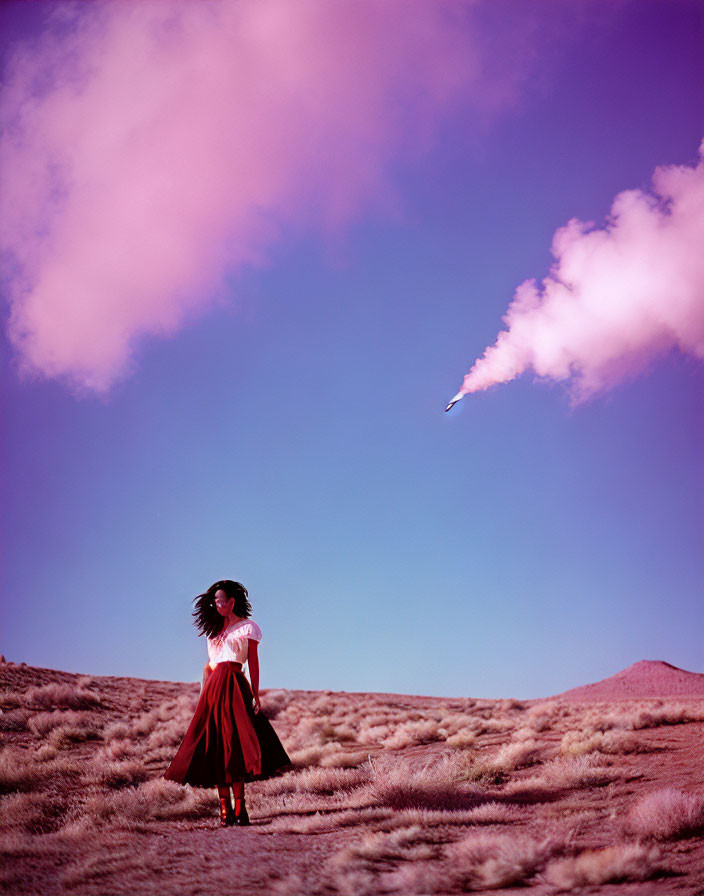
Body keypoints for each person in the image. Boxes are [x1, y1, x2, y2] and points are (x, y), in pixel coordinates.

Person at [164, 580, 291, 827]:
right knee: (216, 749)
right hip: (214, 690)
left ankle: (241, 810)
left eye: (221, 600)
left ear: (232, 602)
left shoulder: (248, 628)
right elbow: (209, 666)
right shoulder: (213, 632)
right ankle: (224, 812)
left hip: (235, 685)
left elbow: (252, 663)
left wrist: (256, 694)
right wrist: (204, 697)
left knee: (236, 746)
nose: (217, 604)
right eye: (215, 601)